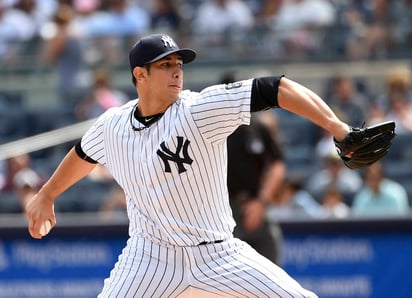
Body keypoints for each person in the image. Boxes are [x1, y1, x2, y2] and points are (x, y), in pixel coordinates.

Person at [25, 33, 352, 297]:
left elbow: (276, 88)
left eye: (178, 63)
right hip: (150, 258)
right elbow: (83, 154)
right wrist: (47, 194)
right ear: (141, 75)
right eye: (165, 65)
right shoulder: (112, 124)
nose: (177, 70)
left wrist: (338, 128)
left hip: (218, 255)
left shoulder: (199, 110)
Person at [227, 112, 285, 265]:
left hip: (257, 205)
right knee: (229, 271)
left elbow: (277, 166)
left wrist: (261, 202)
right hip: (224, 209)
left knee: (273, 269)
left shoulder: (257, 127)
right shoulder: (214, 127)